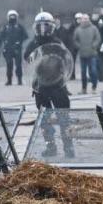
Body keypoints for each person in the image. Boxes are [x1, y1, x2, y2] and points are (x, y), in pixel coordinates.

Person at [24, 12, 73, 158]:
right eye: (40, 27)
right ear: (35, 28)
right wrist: (37, 55)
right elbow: (27, 58)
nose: (43, 30)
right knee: (44, 120)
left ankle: (68, 148)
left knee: (64, 119)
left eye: (46, 26)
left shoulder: (57, 42)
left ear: (52, 27)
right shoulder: (33, 44)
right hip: (41, 86)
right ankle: (51, 147)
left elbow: (66, 58)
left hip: (58, 85)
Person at [73, 13, 101, 94]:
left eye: (86, 18)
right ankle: (84, 88)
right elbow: (75, 40)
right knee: (83, 72)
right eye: (83, 18)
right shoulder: (78, 29)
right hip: (82, 54)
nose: (85, 20)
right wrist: (79, 46)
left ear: (89, 19)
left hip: (92, 54)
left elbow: (98, 38)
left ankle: (94, 87)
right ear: (81, 20)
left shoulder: (94, 28)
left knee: (93, 71)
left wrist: (94, 45)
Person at [1, 9, 28, 86]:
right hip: (8, 48)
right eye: (11, 16)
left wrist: (19, 41)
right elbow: (1, 36)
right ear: (8, 17)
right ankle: (9, 80)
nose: (12, 17)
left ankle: (19, 80)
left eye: (14, 16)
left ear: (16, 17)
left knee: (18, 65)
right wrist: (5, 42)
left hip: (17, 48)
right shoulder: (5, 27)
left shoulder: (19, 27)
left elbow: (25, 36)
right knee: (9, 65)